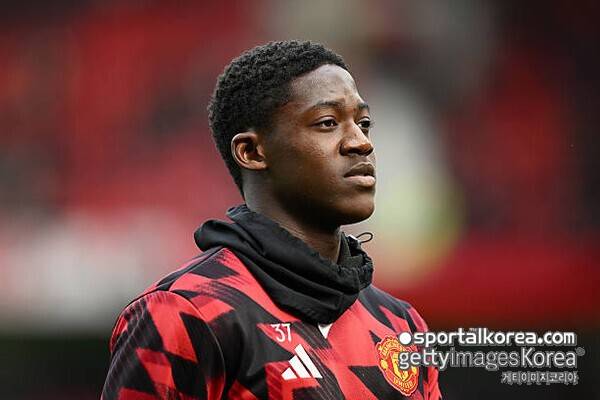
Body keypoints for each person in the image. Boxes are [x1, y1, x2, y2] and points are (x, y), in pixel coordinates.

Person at [102, 40, 441, 400]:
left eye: (364, 123)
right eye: (328, 123)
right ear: (251, 151)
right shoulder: (186, 313)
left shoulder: (401, 326)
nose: (361, 143)